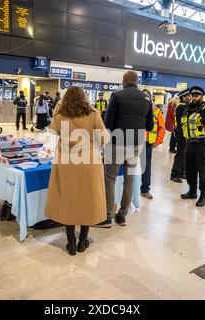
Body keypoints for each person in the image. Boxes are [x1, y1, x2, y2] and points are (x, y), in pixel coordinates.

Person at [45, 86, 110, 256]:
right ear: (84, 98)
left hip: (66, 162)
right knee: (87, 200)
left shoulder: (59, 116)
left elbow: (50, 137)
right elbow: (104, 139)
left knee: (69, 200)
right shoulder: (93, 114)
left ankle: (71, 242)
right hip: (89, 163)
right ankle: (83, 240)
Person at [94, 70, 154, 228]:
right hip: (136, 144)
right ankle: (122, 215)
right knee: (130, 179)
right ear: (137, 81)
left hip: (116, 143)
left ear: (123, 82)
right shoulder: (147, 99)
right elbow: (150, 126)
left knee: (109, 178)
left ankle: (106, 216)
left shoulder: (117, 96)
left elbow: (108, 124)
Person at [180, 86, 205, 207]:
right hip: (189, 143)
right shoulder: (187, 109)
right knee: (190, 170)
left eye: (196, 96)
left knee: (203, 171)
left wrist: (204, 121)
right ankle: (192, 192)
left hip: (202, 145)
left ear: (201, 97)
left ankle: (204, 195)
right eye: (192, 96)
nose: (193, 98)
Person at [140, 88, 165, 199]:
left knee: (146, 167)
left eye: (147, 97)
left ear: (150, 98)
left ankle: (145, 190)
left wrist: (157, 141)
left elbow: (162, 128)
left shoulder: (156, 111)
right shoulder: (135, 109)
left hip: (147, 144)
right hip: (133, 142)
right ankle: (128, 191)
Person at [170, 89, 191, 183]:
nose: (190, 97)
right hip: (181, 133)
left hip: (184, 133)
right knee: (180, 154)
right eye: (188, 96)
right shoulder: (181, 106)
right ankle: (174, 174)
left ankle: (182, 172)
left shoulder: (184, 106)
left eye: (190, 96)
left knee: (184, 153)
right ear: (183, 97)